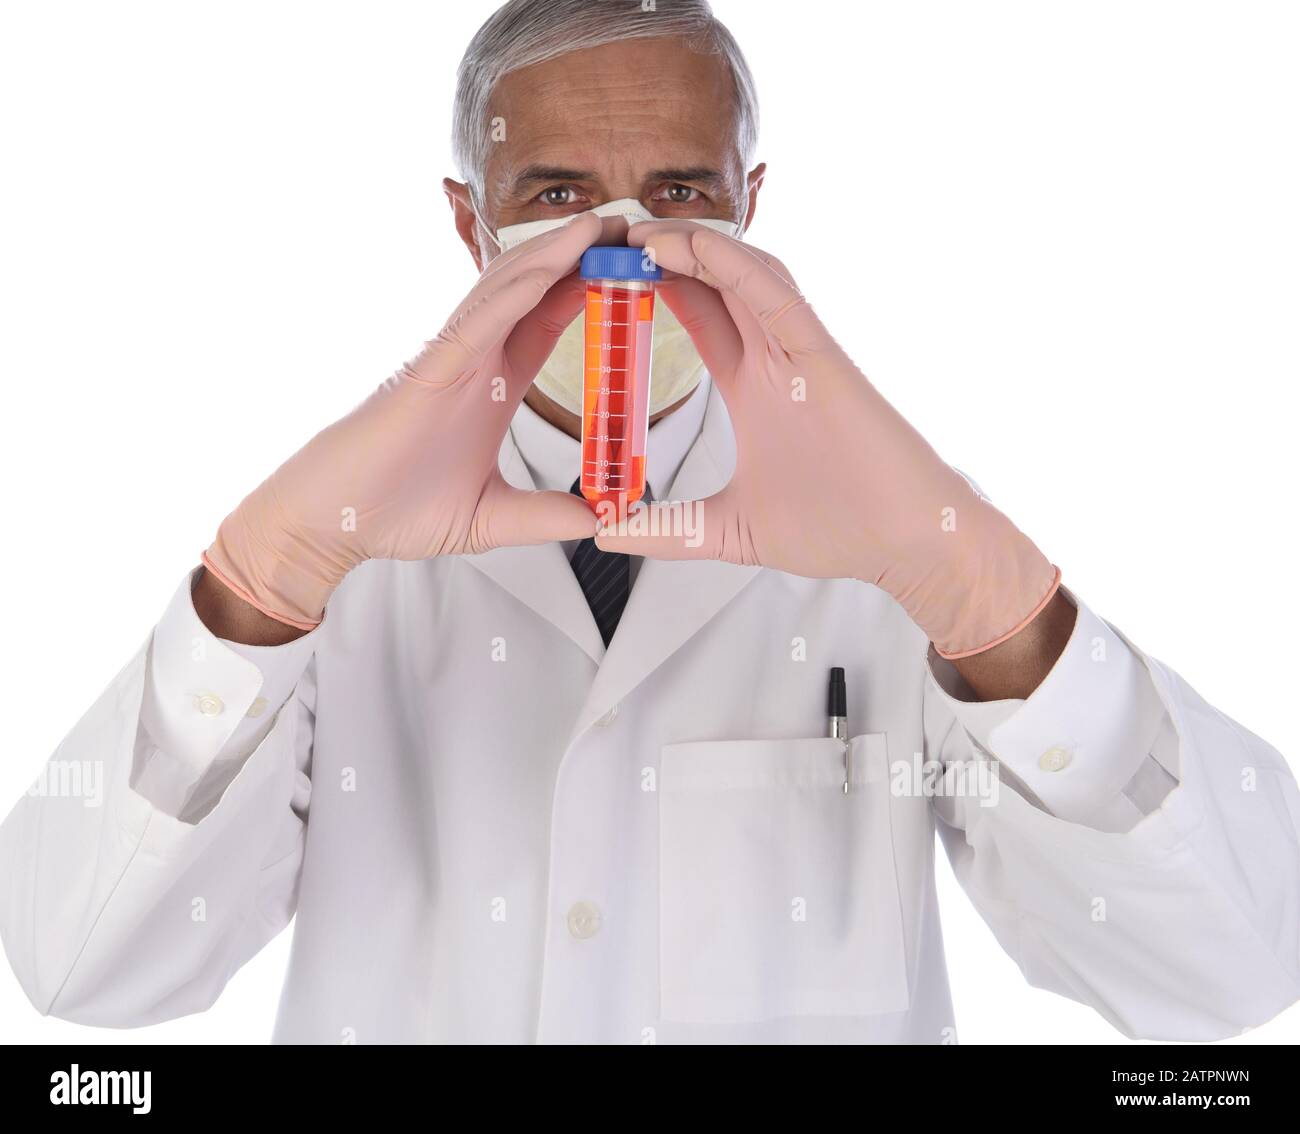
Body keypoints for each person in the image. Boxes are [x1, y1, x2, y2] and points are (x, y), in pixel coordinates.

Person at [1, 0, 1296, 1045]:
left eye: (680, 195)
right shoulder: (346, 572)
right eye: (557, 199)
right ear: (468, 222)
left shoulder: (878, 561)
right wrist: (258, 585)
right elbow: (78, 965)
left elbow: (1231, 968)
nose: (624, 254)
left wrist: (989, 599)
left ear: (751, 204)